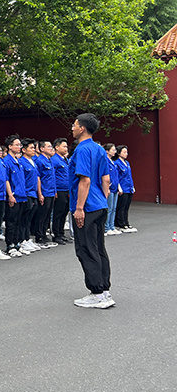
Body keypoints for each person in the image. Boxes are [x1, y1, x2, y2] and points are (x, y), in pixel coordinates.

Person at [69, 113, 113, 309]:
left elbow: (84, 180)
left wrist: (80, 208)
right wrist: (102, 200)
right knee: (99, 248)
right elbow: (106, 180)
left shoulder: (82, 149)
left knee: (86, 249)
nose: (72, 128)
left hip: (86, 206)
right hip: (99, 204)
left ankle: (97, 293)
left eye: (74, 125)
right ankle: (104, 290)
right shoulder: (99, 148)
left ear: (82, 129)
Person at [32, 141, 57, 247]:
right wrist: (40, 193)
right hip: (44, 191)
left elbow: (52, 177)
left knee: (47, 215)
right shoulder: (40, 161)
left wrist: (55, 191)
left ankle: (44, 234)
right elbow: (38, 178)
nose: (51, 148)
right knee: (41, 215)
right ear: (42, 149)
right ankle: (39, 236)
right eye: (49, 146)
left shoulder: (49, 160)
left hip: (51, 191)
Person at [50, 138, 71, 244]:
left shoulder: (66, 160)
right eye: (64, 146)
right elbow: (53, 176)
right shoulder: (54, 159)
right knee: (58, 212)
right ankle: (56, 234)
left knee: (64, 212)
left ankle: (61, 233)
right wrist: (54, 190)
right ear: (57, 147)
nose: (66, 148)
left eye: (66, 146)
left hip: (67, 189)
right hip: (59, 189)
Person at [113, 145, 136, 232]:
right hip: (123, 187)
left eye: (127, 152)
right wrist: (119, 188)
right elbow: (117, 177)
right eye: (124, 152)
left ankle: (126, 222)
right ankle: (121, 223)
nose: (126, 154)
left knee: (126, 206)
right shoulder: (117, 163)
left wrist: (132, 186)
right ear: (119, 153)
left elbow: (129, 176)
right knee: (121, 206)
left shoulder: (127, 163)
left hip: (129, 187)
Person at [103, 144, 121, 236]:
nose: (115, 152)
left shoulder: (112, 162)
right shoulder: (105, 161)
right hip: (109, 188)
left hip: (115, 188)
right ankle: (106, 227)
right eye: (113, 150)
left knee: (113, 208)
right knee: (109, 209)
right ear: (107, 151)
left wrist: (118, 187)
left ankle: (112, 226)